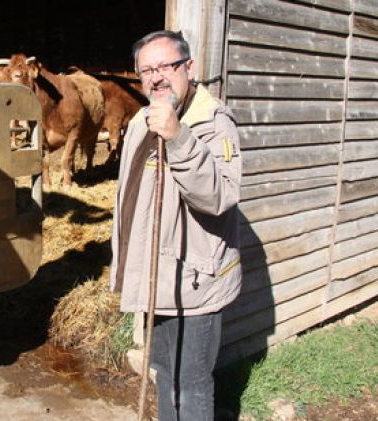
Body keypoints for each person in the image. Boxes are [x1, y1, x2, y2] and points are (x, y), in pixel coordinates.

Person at [109, 30, 242, 420]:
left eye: (165, 66)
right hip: (156, 276)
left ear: (189, 67)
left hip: (193, 282)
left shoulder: (212, 123)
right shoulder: (140, 119)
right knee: (164, 373)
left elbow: (218, 197)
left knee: (191, 384)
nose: (156, 77)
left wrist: (179, 138)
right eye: (146, 70)